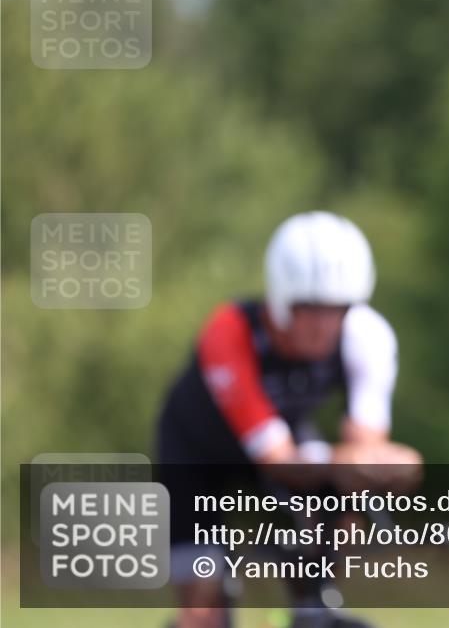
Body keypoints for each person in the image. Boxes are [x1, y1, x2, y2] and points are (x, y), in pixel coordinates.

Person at [157, 211, 422, 628]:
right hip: (195, 456)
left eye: (337, 309)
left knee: (341, 513)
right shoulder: (229, 332)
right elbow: (278, 459)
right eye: (309, 309)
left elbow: (365, 452)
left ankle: (309, 606)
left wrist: (384, 468)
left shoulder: (367, 335)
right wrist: (352, 461)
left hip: (287, 441)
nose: (324, 325)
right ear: (281, 298)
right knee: (205, 611)